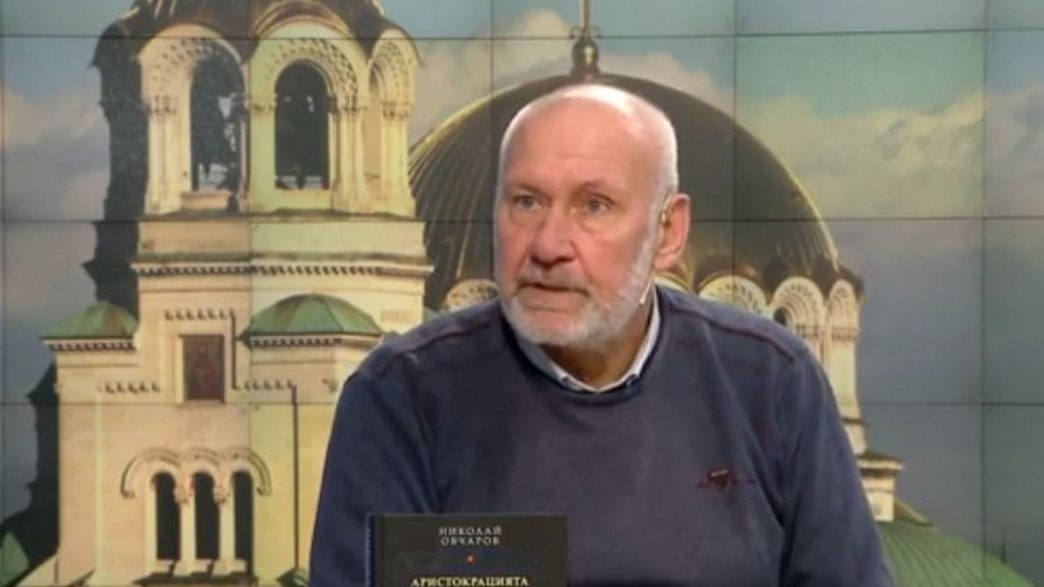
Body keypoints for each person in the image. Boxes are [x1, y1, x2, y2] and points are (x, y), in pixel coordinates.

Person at [310, 84, 895, 586]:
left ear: (668, 231)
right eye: (526, 202)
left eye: (594, 206)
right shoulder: (402, 395)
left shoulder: (771, 381)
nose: (548, 245)